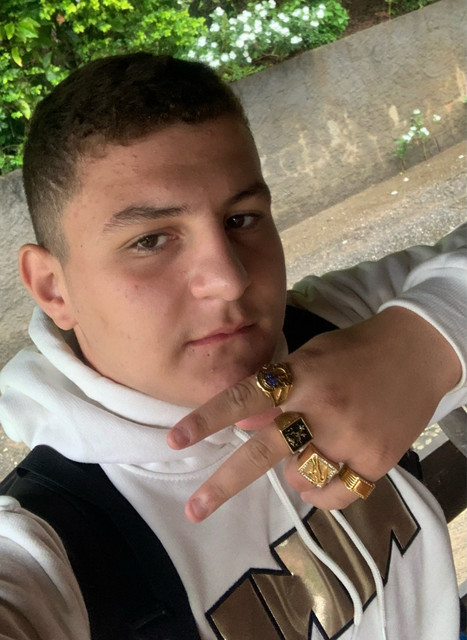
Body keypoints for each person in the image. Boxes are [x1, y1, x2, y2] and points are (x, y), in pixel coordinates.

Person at [0, 52, 465, 640]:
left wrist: (424, 344)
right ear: (52, 287)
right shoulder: (50, 536)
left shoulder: (333, 330)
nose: (230, 279)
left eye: (241, 219)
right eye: (151, 240)